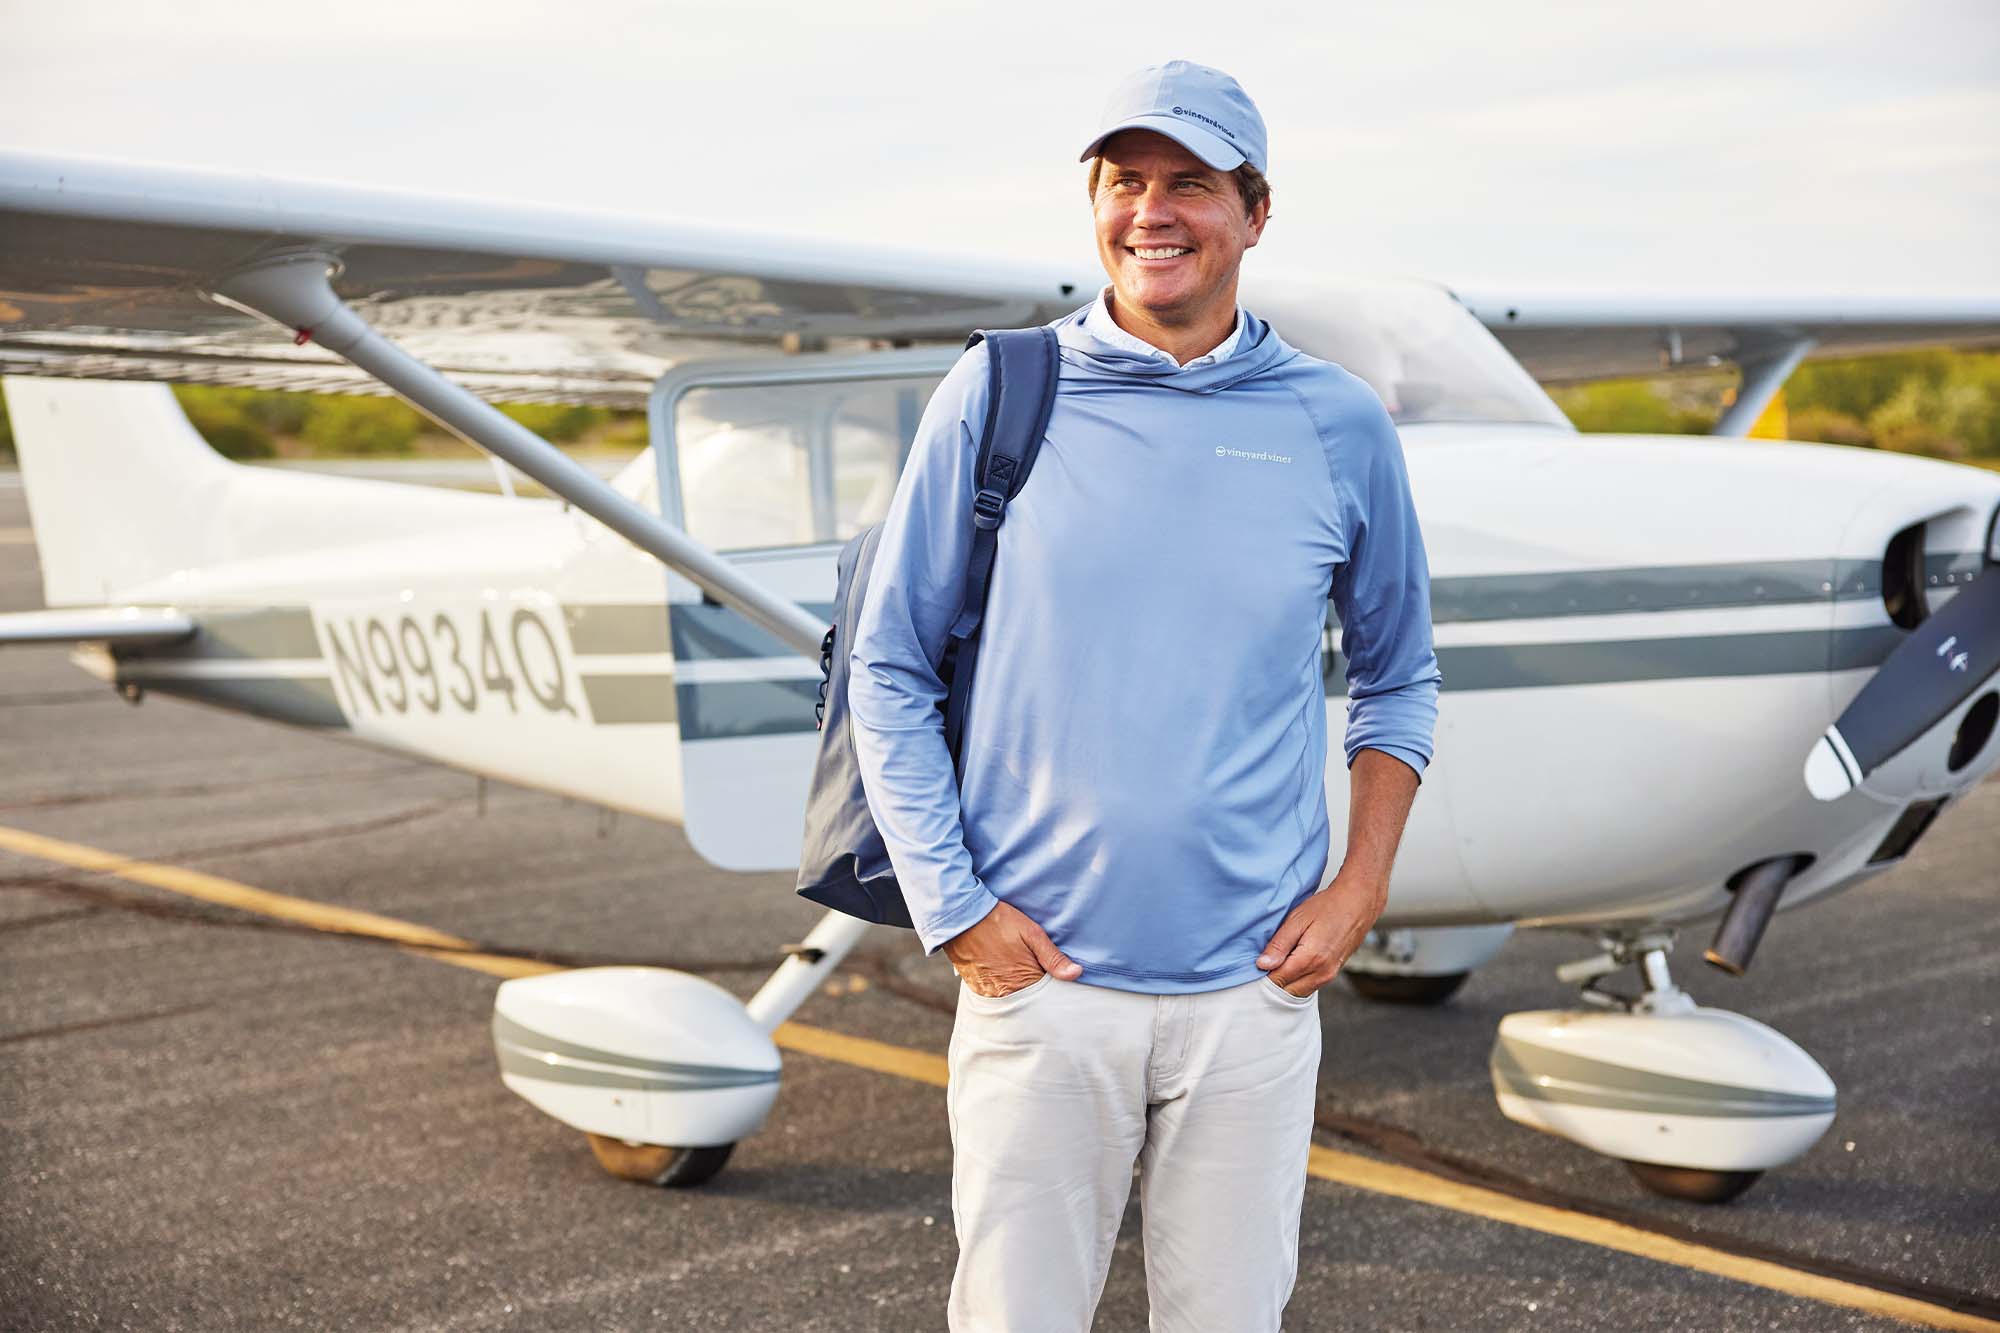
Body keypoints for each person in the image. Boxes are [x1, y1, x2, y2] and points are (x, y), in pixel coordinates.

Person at [846, 59, 1441, 1333]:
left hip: (1253, 999)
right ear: (1093, 202)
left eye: (1189, 183)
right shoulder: (1001, 392)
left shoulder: (1337, 424)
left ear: (1254, 211)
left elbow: (1397, 676)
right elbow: (886, 662)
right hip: (1039, 990)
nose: (1150, 213)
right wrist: (954, 911)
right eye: (1124, 181)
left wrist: (1359, 890)